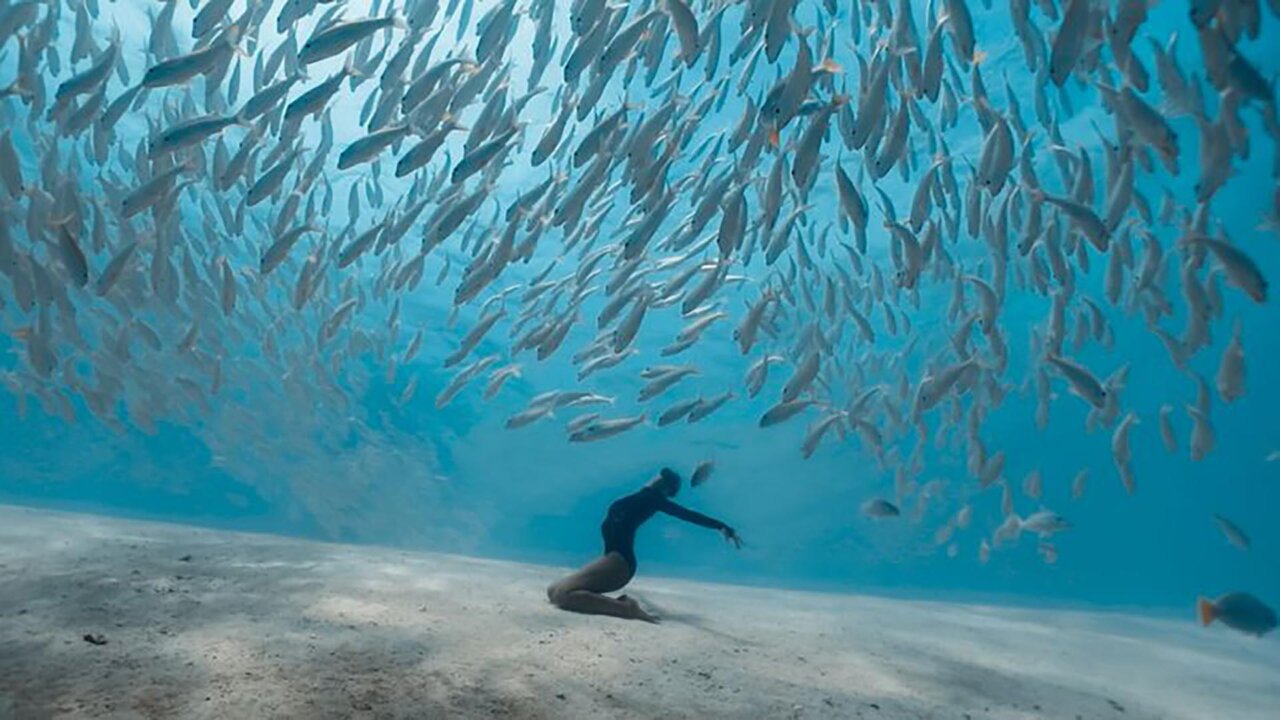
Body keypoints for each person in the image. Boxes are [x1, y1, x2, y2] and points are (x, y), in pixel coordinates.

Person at [546, 467, 742, 622]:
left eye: (664, 479)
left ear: (666, 488)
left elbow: (688, 515)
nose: (658, 477)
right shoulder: (640, 497)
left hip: (620, 564)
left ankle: (627, 609)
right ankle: (617, 604)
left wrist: (722, 526)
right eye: (660, 475)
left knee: (564, 596)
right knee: (553, 591)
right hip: (609, 558)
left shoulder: (654, 500)